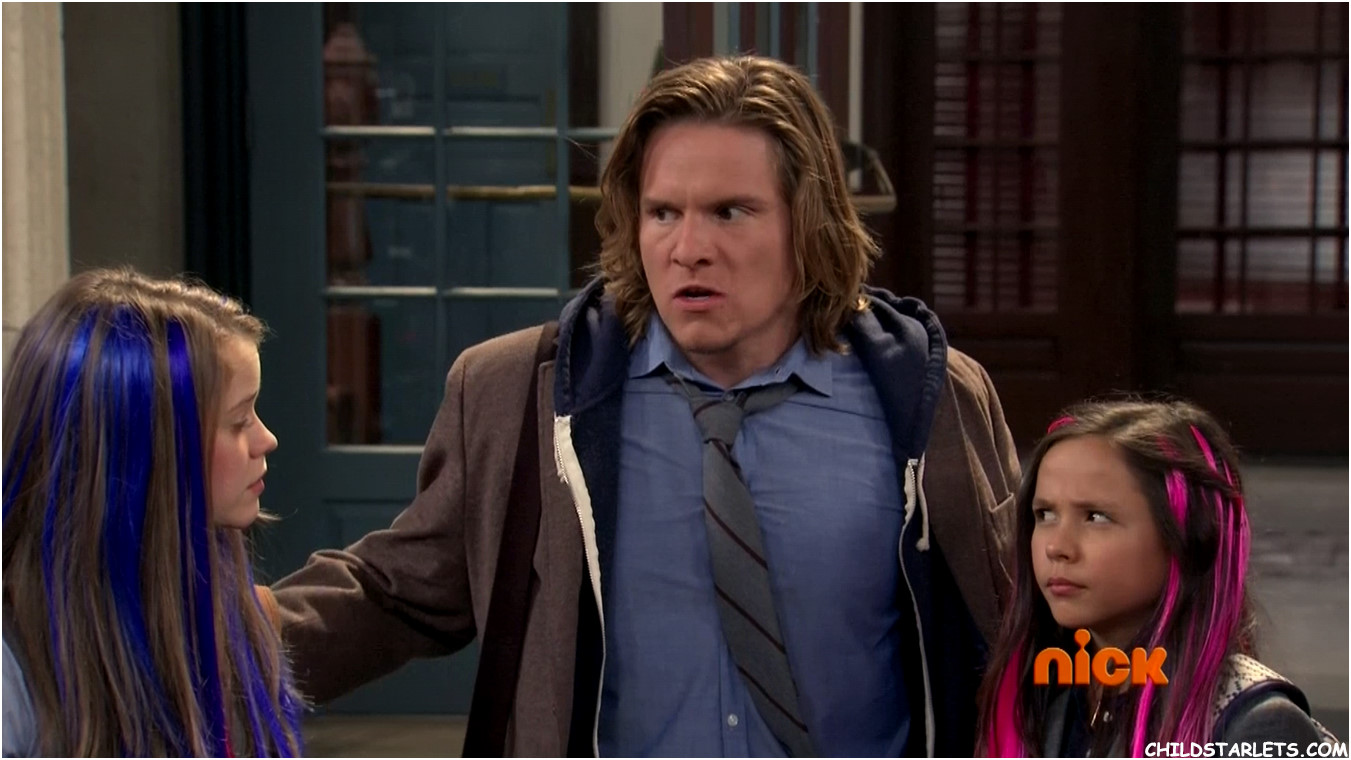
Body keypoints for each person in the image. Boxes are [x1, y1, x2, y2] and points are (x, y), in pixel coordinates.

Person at [270, 55, 1020, 757]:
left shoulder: (928, 396)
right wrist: (217, 635)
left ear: (809, 223)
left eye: (729, 212)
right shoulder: (519, 393)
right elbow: (396, 593)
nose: (688, 248)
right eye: (663, 213)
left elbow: (1026, 610)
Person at [1, 268, 304, 757]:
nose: (266, 439)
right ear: (148, 452)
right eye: (238, 420)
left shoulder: (237, 619)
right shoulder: (13, 671)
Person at [978, 400, 1336, 757]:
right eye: (1045, 514)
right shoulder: (1044, 701)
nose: (1057, 547)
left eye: (1096, 517)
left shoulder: (1257, 726)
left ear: (1188, 537)